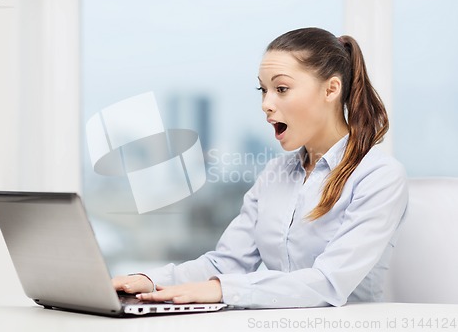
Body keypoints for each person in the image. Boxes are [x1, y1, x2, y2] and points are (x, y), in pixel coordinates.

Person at [112, 27, 408, 308]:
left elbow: (328, 283)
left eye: (281, 88)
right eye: (263, 90)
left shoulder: (379, 177)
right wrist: (148, 281)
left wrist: (221, 289)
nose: (266, 104)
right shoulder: (274, 175)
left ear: (331, 89)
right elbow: (226, 263)